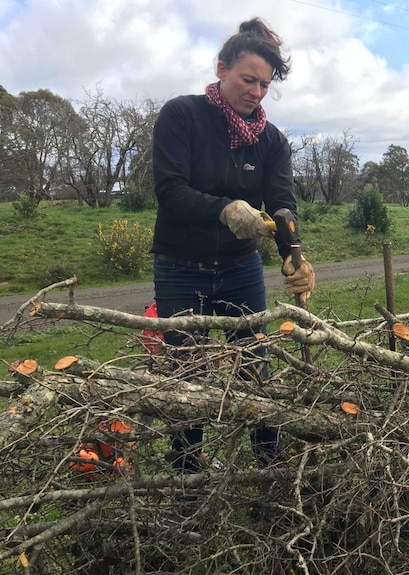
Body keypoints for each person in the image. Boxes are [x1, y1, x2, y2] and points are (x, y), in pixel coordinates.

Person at [150, 17, 314, 472]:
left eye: (264, 85)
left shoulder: (271, 140)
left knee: (253, 367)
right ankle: (188, 468)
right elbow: (169, 190)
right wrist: (224, 209)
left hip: (241, 270)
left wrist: (293, 254)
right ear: (221, 69)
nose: (256, 92)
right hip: (181, 266)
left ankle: (269, 465)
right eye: (248, 80)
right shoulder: (182, 116)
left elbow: (282, 206)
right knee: (189, 373)